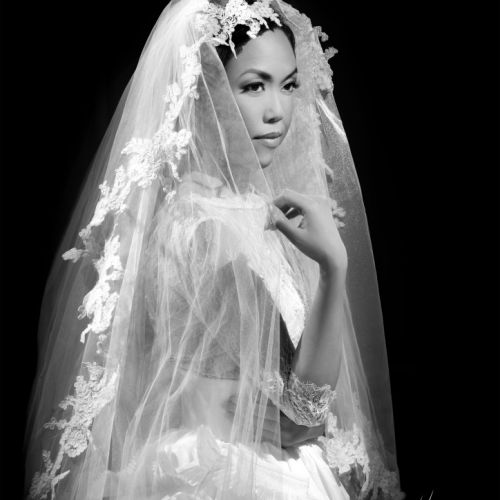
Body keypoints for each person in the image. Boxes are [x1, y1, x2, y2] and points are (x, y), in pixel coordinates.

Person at [24, 0, 405, 498]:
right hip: (227, 472)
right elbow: (303, 412)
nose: (278, 111)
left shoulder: (238, 211)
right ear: (205, 92)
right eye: (254, 86)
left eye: (289, 85)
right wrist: (333, 264)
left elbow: (301, 410)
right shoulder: (205, 229)